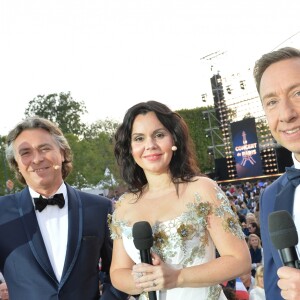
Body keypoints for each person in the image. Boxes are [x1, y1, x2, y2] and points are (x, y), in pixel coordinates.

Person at [109, 100, 251, 299]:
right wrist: (146, 280)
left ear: (174, 140)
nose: (150, 145)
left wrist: (177, 277)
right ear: (130, 149)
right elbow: (117, 273)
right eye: (139, 138)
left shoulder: (201, 189)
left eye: (159, 135)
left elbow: (240, 260)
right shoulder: (124, 205)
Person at [0, 116, 127, 300]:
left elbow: (118, 274)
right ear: (17, 164)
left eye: (45, 148)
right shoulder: (2, 212)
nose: (37, 159)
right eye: (25, 152)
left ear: (63, 153)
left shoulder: (100, 208)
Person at [253, 46, 300, 299]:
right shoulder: (270, 196)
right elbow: (273, 288)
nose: (286, 114)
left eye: (298, 93)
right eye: (272, 102)